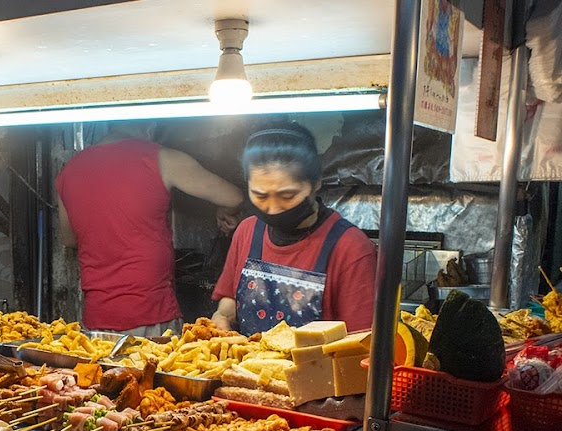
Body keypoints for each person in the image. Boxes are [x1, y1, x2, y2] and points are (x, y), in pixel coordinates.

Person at [56, 121, 244, 336]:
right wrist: (223, 210)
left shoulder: (69, 170)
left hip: (96, 318)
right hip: (150, 314)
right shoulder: (161, 158)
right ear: (150, 127)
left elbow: (69, 239)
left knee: (105, 371)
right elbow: (233, 196)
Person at [211, 124, 377, 335]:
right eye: (260, 195)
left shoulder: (351, 248)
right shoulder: (247, 231)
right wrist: (222, 318)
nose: (272, 208)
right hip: (243, 367)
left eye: (287, 196)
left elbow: (361, 344)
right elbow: (230, 300)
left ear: (316, 183)